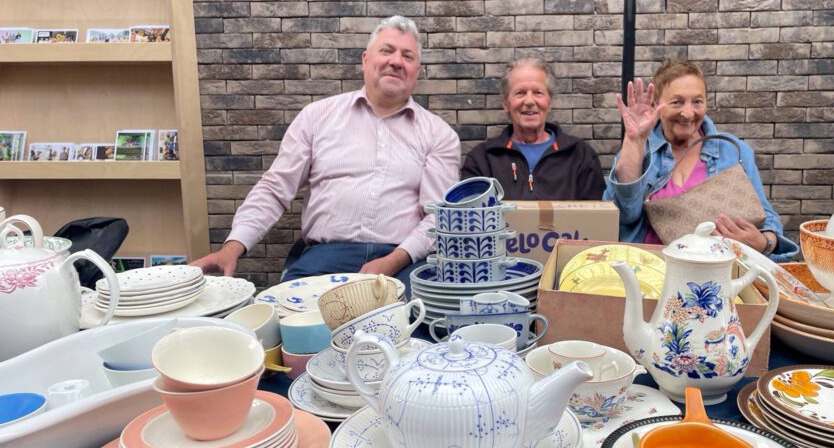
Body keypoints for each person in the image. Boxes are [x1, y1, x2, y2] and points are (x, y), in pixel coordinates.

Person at [193, 15, 461, 287]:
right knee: (287, 311)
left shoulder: (439, 135)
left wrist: (395, 259)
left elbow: (439, 217)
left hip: (403, 261)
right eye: (386, 51)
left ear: (417, 71)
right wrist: (232, 247)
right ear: (365, 60)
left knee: (418, 312)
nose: (396, 61)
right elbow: (275, 189)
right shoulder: (317, 117)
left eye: (407, 56)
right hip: (324, 257)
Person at [603, 58, 798, 261]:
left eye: (697, 101)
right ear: (655, 105)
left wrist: (765, 242)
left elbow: (766, 216)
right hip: (650, 268)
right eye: (677, 102)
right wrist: (634, 142)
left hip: (718, 271)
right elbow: (624, 214)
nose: (688, 113)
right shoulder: (638, 151)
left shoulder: (734, 151)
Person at [460, 58, 605, 199]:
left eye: (538, 92)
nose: (529, 101)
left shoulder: (580, 156)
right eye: (520, 93)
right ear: (506, 104)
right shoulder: (482, 159)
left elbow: (597, 213)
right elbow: (470, 211)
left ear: (549, 102)